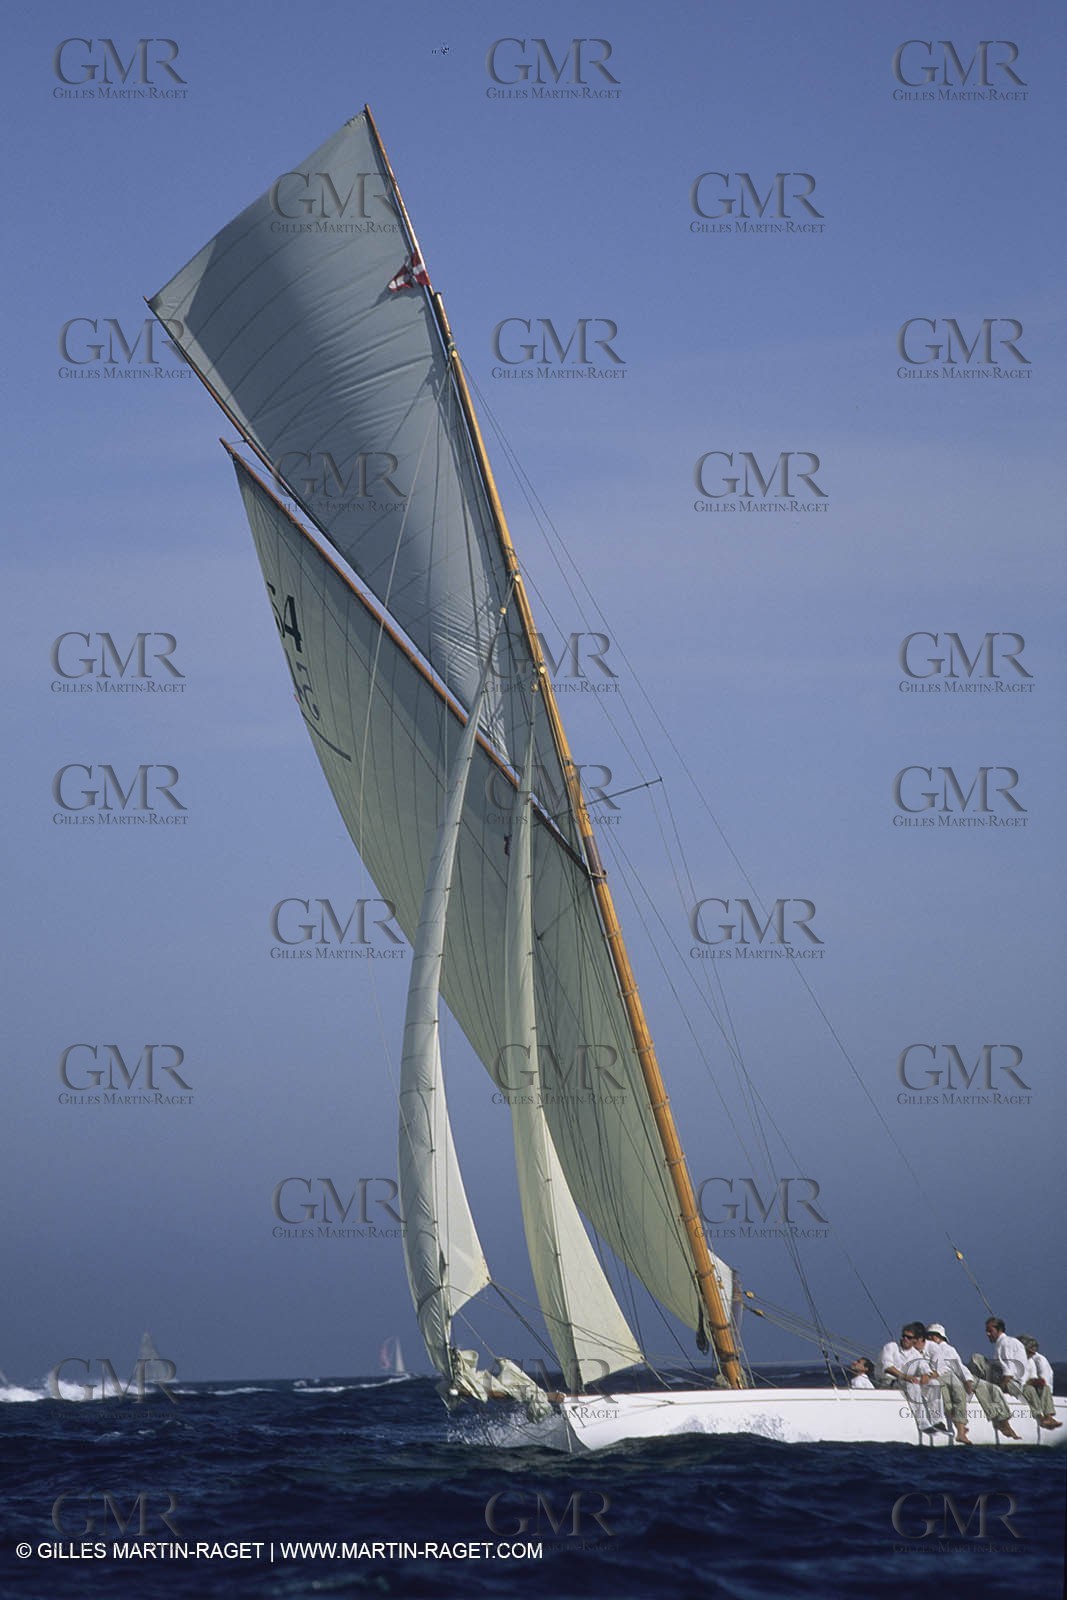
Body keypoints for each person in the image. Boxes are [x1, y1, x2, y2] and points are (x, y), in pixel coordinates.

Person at [967, 1317, 1023, 1440]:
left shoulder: (1005, 1343)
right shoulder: (1004, 1343)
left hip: (1012, 1383)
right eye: (986, 1331)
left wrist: (998, 1389)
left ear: (999, 1330)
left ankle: (1003, 1422)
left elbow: (1009, 1371)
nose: (987, 1334)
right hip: (1008, 1379)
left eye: (990, 1331)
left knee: (976, 1359)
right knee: (977, 1360)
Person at [924, 1323, 972, 1444]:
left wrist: (967, 1380)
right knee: (947, 1401)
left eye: (930, 1336)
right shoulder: (927, 1348)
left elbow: (958, 1367)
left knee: (957, 1397)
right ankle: (960, 1428)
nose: (928, 1339)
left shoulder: (948, 1350)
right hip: (935, 1378)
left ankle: (960, 1431)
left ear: (937, 1337)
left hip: (946, 1376)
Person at [1019, 1335, 1061, 1429]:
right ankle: (1039, 1417)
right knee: (1030, 1389)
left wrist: (1037, 1382)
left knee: (1045, 1387)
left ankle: (1048, 1416)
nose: (1031, 1354)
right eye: (1029, 1352)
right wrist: (1030, 1382)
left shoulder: (1031, 1361)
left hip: (1028, 1386)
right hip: (1020, 1388)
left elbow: (1034, 1376)